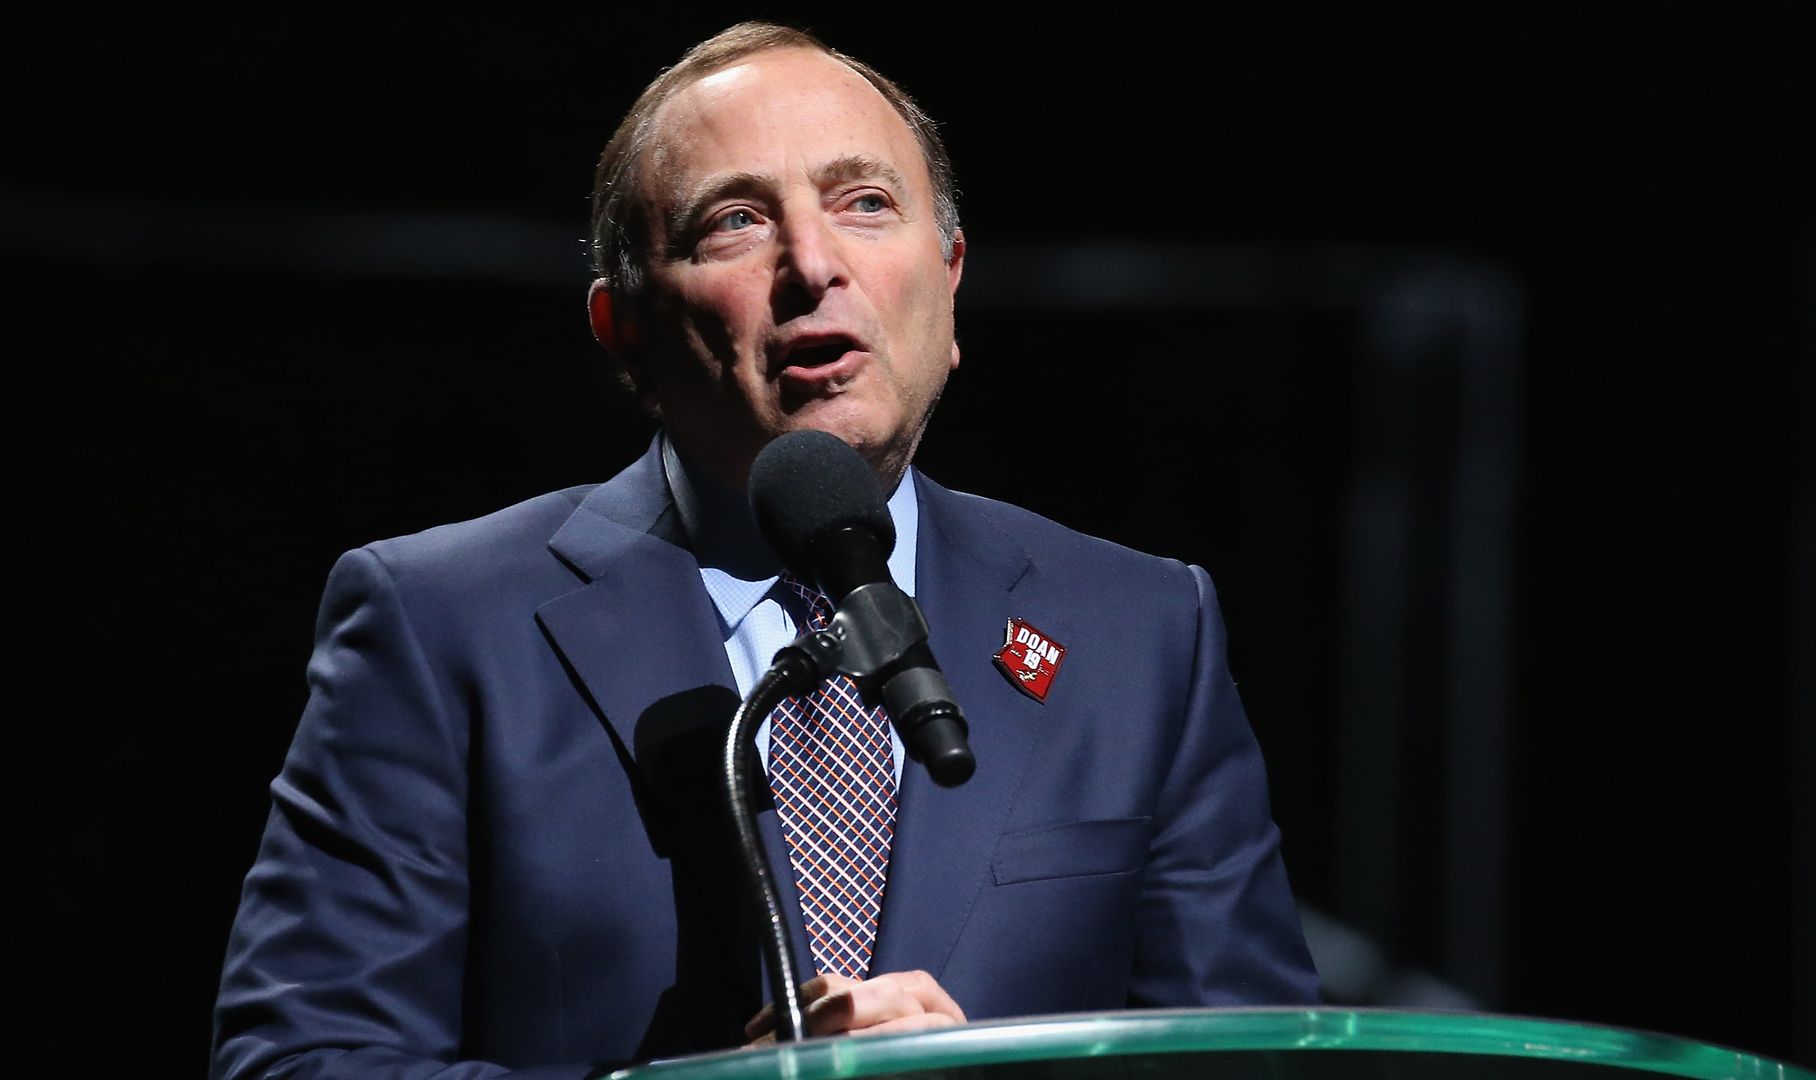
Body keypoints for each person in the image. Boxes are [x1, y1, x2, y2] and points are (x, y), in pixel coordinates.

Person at [212, 22, 1318, 1080]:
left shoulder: (1141, 630)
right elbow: (301, 1062)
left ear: (951, 276)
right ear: (623, 331)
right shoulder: (439, 625)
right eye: (734, 222)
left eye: (867, 204)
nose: (812, 263)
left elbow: (1268, 1065)